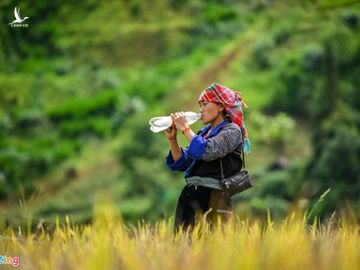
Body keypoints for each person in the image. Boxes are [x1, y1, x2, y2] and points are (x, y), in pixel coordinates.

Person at [165, 82, 250, 234]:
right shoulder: (202, 133)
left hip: (214, 198)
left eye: (205, 104)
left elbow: (210, 150)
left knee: (211, 249)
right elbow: (183, 163)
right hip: (190, 196)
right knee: (183, 249)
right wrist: (173, 140)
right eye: (200, 105)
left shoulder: (232, 130)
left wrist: (185, 129)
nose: (201, 110)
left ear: (221, 106)